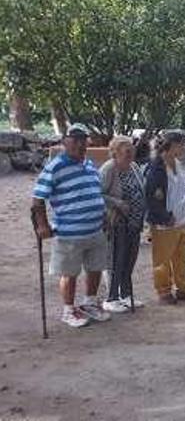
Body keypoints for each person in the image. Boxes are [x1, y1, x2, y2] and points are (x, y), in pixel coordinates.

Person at [32, 124, 112, 327]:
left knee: (95, 268)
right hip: (69, 232)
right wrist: (42, 225)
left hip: (95, 230)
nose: (80, 144)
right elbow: (38, 200)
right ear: (64, 142)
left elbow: (95, 193)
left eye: (83, 139)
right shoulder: (54, 167)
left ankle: (90, 303)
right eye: (75, 139)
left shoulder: (89, 164)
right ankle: (68, 310)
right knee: (69, 272)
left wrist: (103, 215)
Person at [145, 131, 185, 304]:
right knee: (162, 260)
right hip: (165, 222)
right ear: (173, 145)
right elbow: (152, 197)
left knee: (181, 258)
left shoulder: (176, 163)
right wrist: (163, 216)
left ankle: (183, 288)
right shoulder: (156, 168)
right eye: (183, 144)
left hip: (181, 219)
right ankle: (163, 290)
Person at [100, 136, 146, 313]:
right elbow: (98, 194)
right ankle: (111, 297)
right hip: (117, 222)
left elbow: (141, 190)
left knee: (129, 260)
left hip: (134, 222)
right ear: (115, 152)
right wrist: (117, 203)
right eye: (126, 150)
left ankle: (126, 294)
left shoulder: (134, 167)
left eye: (131, 150)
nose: (130, 153)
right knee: (116, 260)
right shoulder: (109, 169)